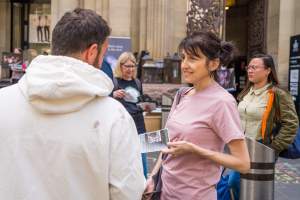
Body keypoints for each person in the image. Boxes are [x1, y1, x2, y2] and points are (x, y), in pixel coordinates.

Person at [0, 8, 145, 200]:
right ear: (92, 52)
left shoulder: (3, 101)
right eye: (104, 53)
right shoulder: (114, 116)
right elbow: (128, 193)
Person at [145, 31, 250, 200]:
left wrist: (195, 150)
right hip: (165, 193)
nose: (184, 65)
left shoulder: (222, 102)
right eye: (183, 58)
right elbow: (167, 142)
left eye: (193, 59)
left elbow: (243, 163)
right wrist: (152, 176)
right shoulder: (182, 95)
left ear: (214, 64)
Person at [228, 54, 299, 200]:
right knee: (236, 182)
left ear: (267, 71)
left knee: (253, 185)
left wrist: (273, 148)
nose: (250, 70)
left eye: (255, 67)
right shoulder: (246, 91)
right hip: (242, 145)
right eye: (249, 67)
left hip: (261, 147)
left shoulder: (277, 94)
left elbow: (291, 123)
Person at [112, 52, 149, 178]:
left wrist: (146, 106)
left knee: (142, 156)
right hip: (123, 125)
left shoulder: (137, 82)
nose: (130, 69)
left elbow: (140, 102)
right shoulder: (114, 82)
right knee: (125, 157)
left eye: (133, 66)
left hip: (139, 123)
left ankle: (144, 184)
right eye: (127, 66)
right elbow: (105, 103)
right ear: (120, 66)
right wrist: (113, 95)